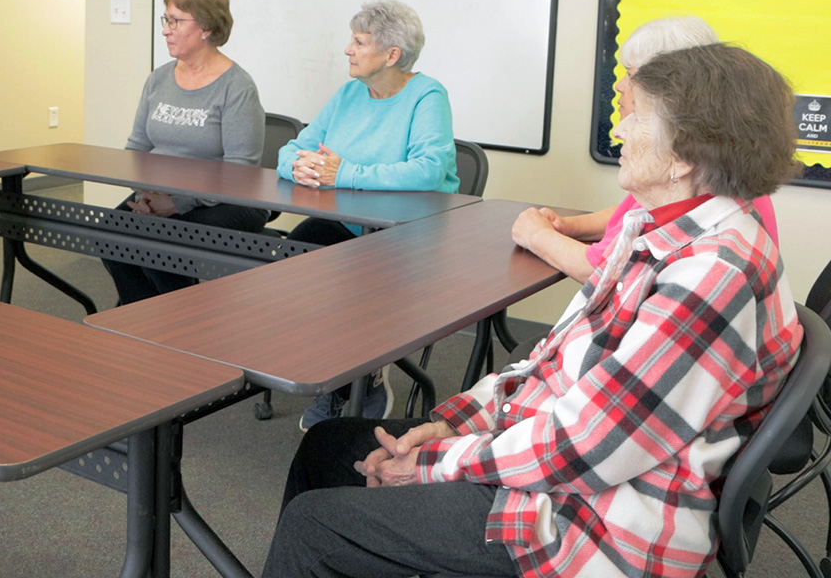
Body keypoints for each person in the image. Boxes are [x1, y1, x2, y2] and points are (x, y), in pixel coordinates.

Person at [264, 42, 802, 578]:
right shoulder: (664, 232)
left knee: (317, 527)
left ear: (683, 155)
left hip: (600, 522)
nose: (619, 129)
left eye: (636, 117)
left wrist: (434, 463)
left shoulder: (711, 275)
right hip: (574, 472)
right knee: (328, 449)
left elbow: (590, 443)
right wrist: (448, 425)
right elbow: (551, 365)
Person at [277, 0, 458, 430]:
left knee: (344, 284)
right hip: (347, 221)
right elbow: (294, 146)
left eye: (359, 42)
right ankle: (339, 382)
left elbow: (430, 169)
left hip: (408, 233)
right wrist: (295, 165)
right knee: (289, 264)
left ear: (391, 54)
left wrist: (347, 173)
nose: (347, 49)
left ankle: (364, 378)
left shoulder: (427, 95)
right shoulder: (349, 94)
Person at [512, 16, 778, 283]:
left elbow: (604, 272)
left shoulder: (689, 187)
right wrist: (569, 226)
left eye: (631, 75)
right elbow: (632, 215)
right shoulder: (704, 172)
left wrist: (537, 235)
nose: (621, 86)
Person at [102, 0, 268, 305]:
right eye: (166, 19)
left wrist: (178, 204)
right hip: (160, 194)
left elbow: (239, 173)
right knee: (110, 234)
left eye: (175, 21)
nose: (165, 29)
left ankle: (184, 328)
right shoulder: (159, 78)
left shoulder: (237, 87)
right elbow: (138, 147)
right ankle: (145, 324)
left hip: (223, 201)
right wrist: (144, 193)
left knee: (160, 244)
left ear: (205, 27)